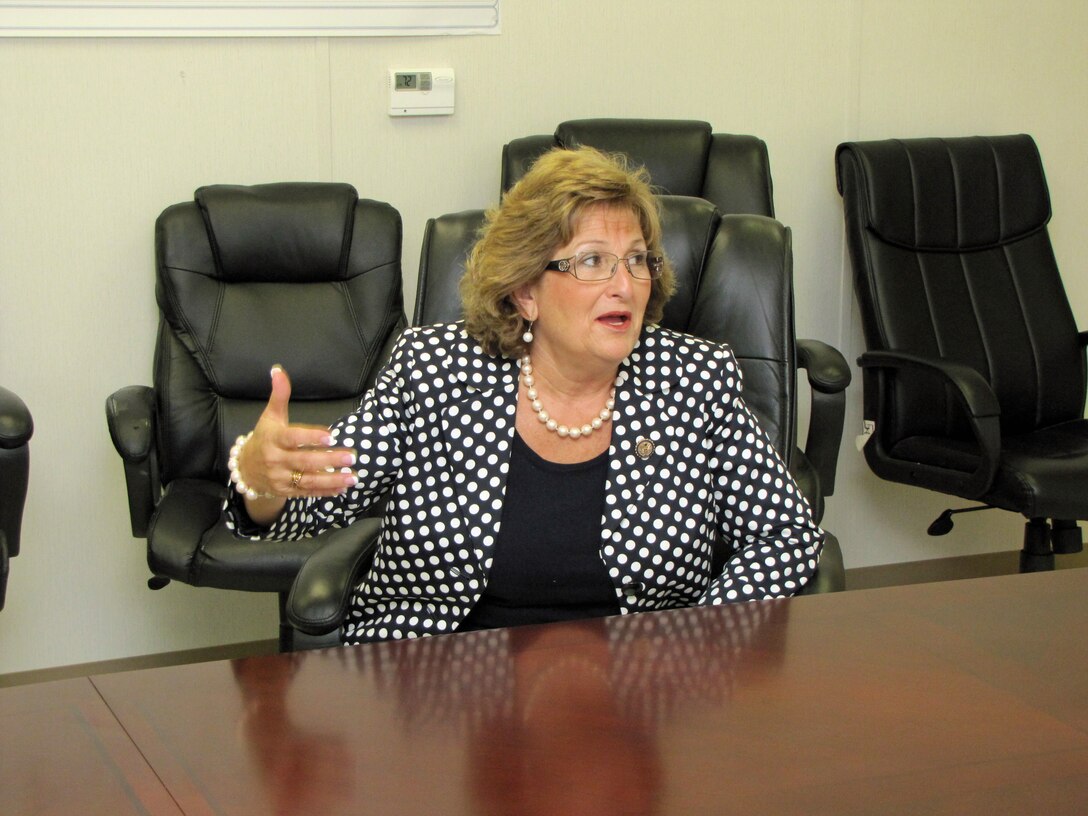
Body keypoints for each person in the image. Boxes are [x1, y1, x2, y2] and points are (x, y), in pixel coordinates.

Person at [225, 146, 824, 645]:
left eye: (638, 260)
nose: (627, 284)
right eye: (593, 261)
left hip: (637, 700)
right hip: (436, 691)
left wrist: (691, 644)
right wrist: (260, 478)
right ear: (525, 292)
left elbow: (785, 535)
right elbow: (308, 511)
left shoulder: (694, 380)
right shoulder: (432, 371)